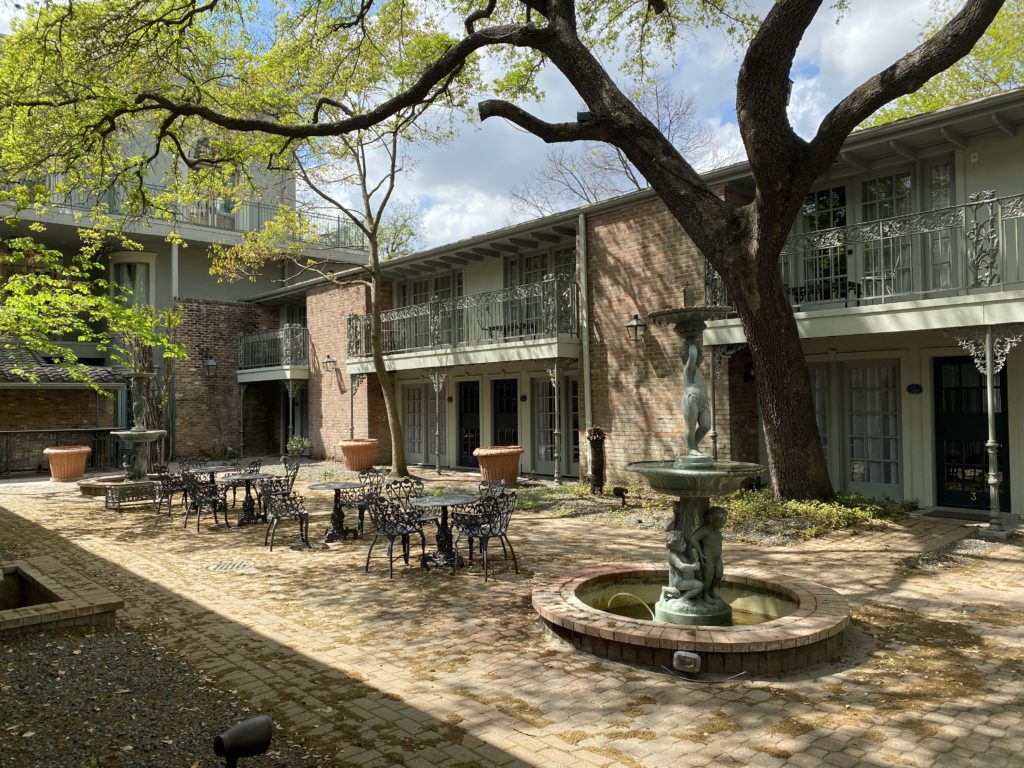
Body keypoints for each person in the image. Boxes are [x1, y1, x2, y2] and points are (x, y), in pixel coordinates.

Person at [680, 337, 711, 455]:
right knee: (691, 427)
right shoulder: (688, 369)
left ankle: (693, 446)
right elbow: (692, 357)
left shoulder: (698, 371)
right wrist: (692, 343)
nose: (701, 356)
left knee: (706, 426)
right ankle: (691, 449)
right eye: (699, 354)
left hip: (703, 402)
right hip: (691, 399)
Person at [690, 506, 727, 602]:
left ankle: (711, 591)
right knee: (708, 578)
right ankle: (705, 594)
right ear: (711, 519)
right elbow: (693, 538)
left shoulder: (717, 531)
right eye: (721, 522)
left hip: (717, 559)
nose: (723, 524)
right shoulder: (706, 529)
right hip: (708, 558)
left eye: (724, 522)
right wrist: (700, 552)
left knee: (718, 575)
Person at [664, 529, 702, 602]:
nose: (685, 545)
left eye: (684, 543)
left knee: (678, 593)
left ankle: (666, 590)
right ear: (673, 546)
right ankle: (683, 600)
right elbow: (681, 566)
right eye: (682, 544)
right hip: (680, 581)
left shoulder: (680, 553)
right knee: (699, 586)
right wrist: (694, 567)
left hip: (684, 578)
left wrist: (694, 561)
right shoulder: (672, 555)